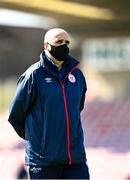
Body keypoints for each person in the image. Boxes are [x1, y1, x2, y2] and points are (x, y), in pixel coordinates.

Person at [8, 28, 90, 179]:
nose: (64, 45)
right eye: (59, 42)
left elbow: (77, 107)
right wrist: (40, 140)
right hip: (44, 163)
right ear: (46, 46)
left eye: (67, 42)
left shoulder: (77, 75)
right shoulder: (33, 75)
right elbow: (15, 115)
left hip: (75, 160)